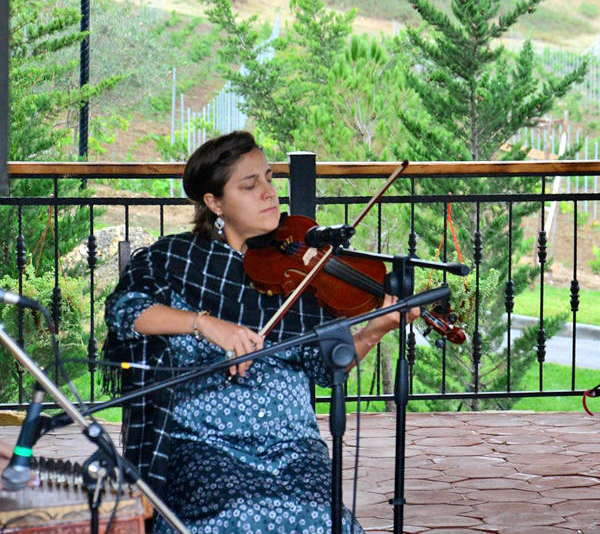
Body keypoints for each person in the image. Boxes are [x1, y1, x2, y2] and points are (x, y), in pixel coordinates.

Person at [104, 131, 417, 533]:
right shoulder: (173, 259)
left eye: (270, 178)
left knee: (324, 520)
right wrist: (205, 325)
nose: (269, 193)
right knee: (234, 516)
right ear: (214, 202)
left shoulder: (299, 272)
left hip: (292, 445)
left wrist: (375, 330)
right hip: (205, 445)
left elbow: (325, 368)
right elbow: (124, 311)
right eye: (250, 185)